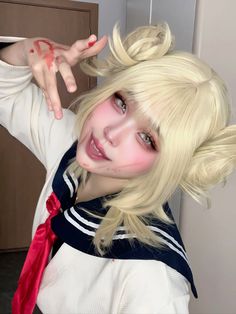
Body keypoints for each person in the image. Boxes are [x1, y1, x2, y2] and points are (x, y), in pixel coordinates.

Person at [0, 23, 235, 314]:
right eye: (121, 102)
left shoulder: (152, 279)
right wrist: (25, 50)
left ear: (168, 164)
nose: (111, 132)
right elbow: (4, 95)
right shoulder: (67, 143)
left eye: (147, 138)